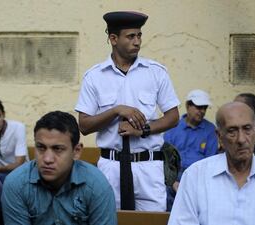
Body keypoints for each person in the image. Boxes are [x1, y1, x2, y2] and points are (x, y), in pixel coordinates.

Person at [75, 11, 180, 211]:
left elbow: (173, 117)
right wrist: (116, 111)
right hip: (110, 167)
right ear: (113, 39)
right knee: (109, 220)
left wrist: (143, 130)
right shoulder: (94, 76)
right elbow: (84, 125)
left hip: (148, 167)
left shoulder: (156, 72)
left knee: (151, 222)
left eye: (139, 35)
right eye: (131, 36)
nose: (137, 41)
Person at [168, 102, 255, 225]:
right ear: (219, 137)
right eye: (232, 131)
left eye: (247, 129)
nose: (241, 139)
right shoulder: (195, 176)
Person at [2, 111, 117, 225]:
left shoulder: (96, 185)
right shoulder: (16, 184)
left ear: (76, 151)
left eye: (58, 149)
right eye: (41, 147)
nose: (47, 159)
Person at [164, 89, 218, 210]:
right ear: (188, 106)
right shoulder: (173, 127)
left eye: (204, 108)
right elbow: (165, 159)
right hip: (174, 178)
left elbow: (210, 162)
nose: (202, 111)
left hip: (198, 179)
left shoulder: (210, 130)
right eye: (199, 107)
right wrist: (173, 182)